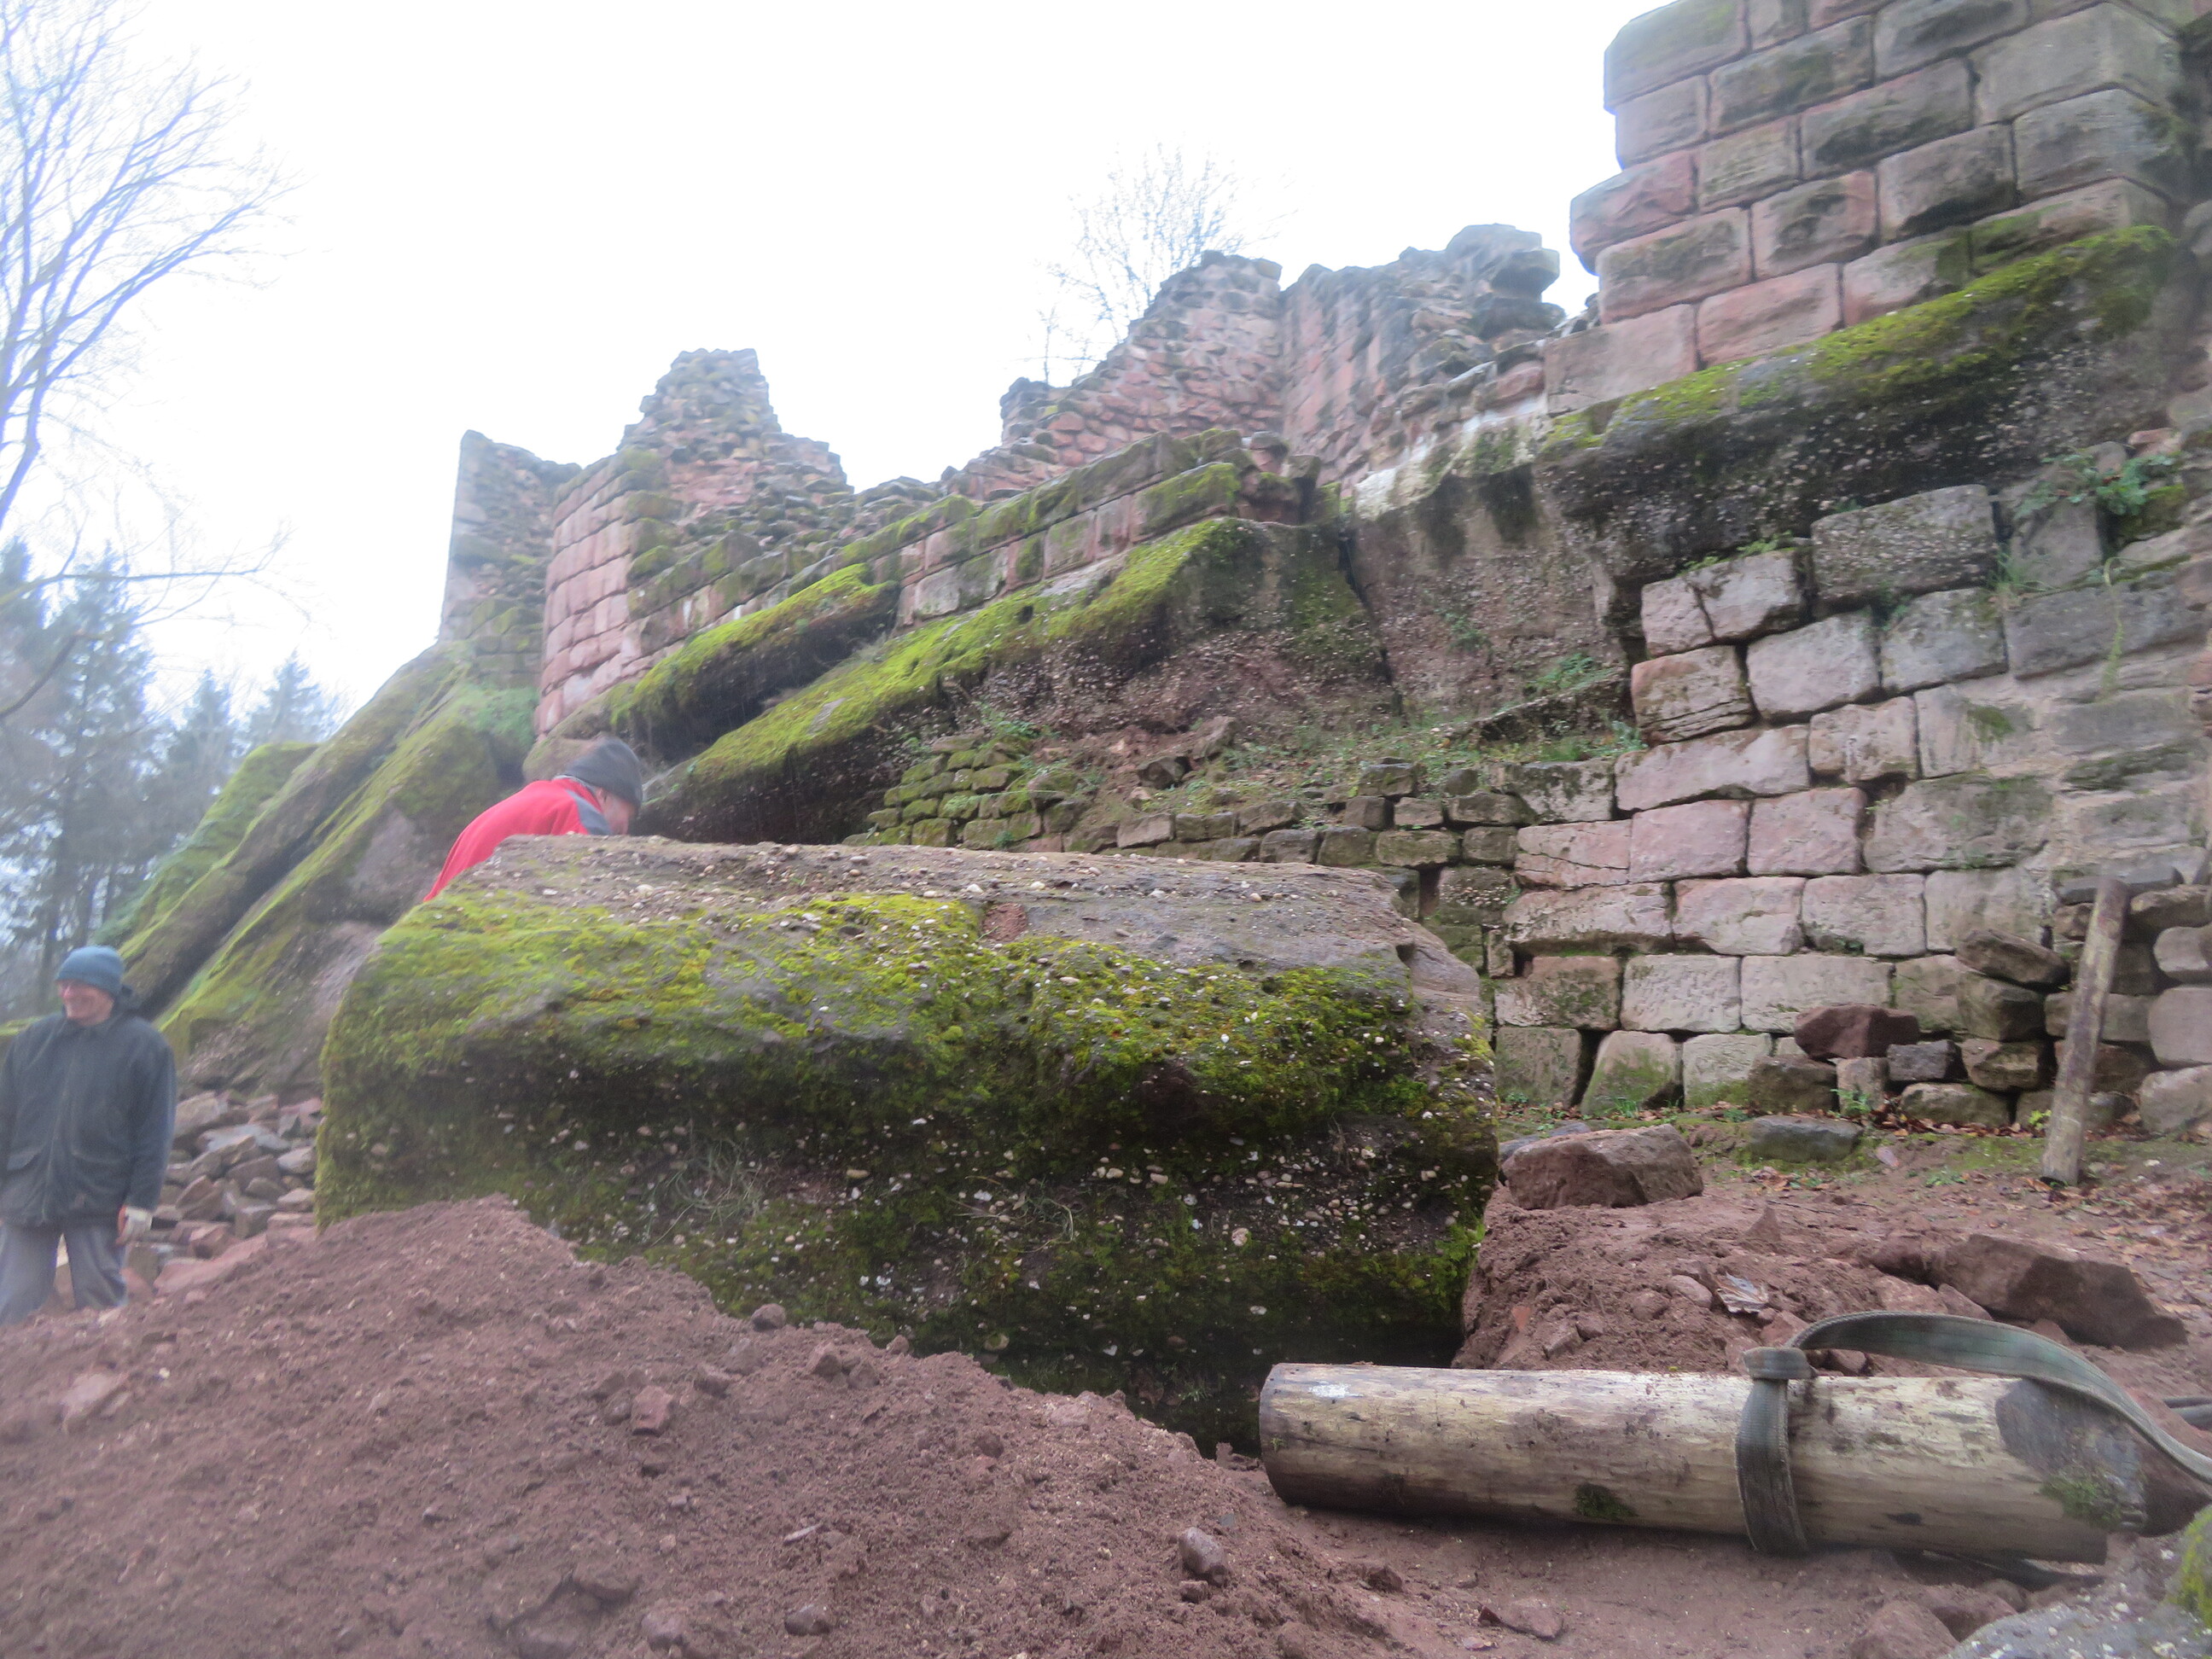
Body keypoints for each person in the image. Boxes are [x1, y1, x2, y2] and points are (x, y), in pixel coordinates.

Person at [0, 945, 177, 1325]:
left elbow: (155, 1131)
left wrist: (142, 1201)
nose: (68, 994)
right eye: (63, 985)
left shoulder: (145, 1046)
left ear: (108, 989)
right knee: (12, 1305)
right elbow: (5, 1118)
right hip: (29, 1188)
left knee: (102, 1306)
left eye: (80, 985)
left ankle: (108, 1363)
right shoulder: (33, 1040)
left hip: (99, 1194)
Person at [424, 736, 647, 900]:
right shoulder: (578, 813)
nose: (625, 832)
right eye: (628, 817)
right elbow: (596, 895)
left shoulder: (523, 801)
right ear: (603, 795)